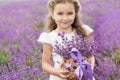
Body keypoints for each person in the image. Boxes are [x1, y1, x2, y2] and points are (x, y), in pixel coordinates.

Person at [38, 0, 95, 80]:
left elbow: (90, 56)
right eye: (60, 13)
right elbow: (45, 64)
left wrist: (89, 69)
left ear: (75, 14)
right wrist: (57, 72)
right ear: (52, 15)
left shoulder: (83, 31)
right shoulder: (48, 37)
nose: (65, 18)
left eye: (70, 13)